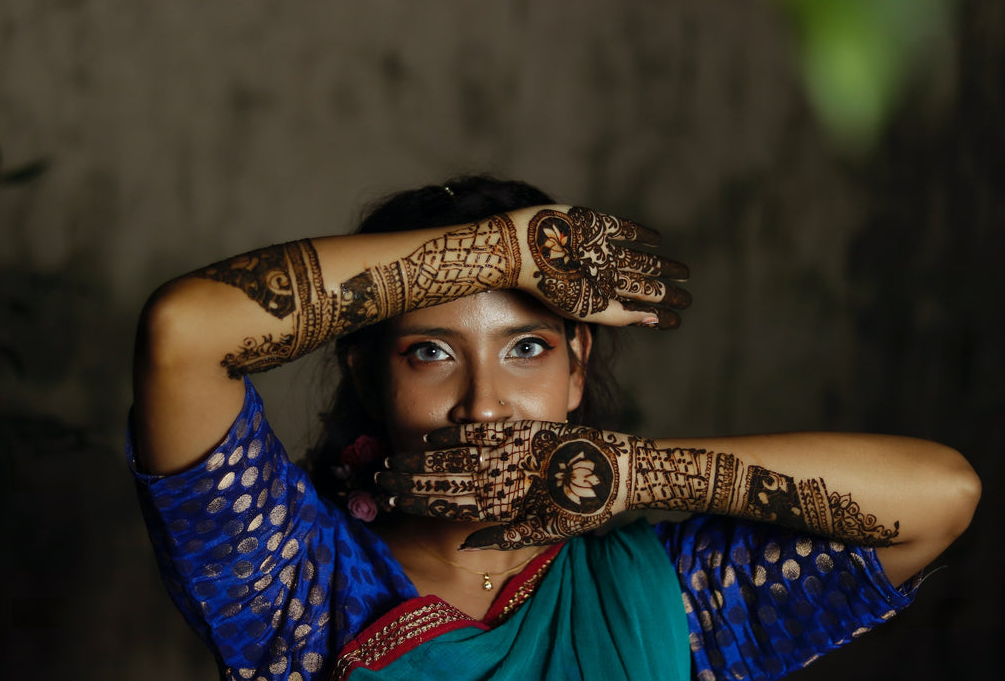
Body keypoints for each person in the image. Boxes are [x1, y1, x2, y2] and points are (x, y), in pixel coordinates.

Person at [130, 176, 980, 680]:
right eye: (431, 352)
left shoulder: (669, 601)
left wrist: (634, 476)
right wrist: (509, 251)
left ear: (577, 368)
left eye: (527, 347)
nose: (487, 403)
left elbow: (940, 496)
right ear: (368, 374)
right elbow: (183, 335)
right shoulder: (298, 585)